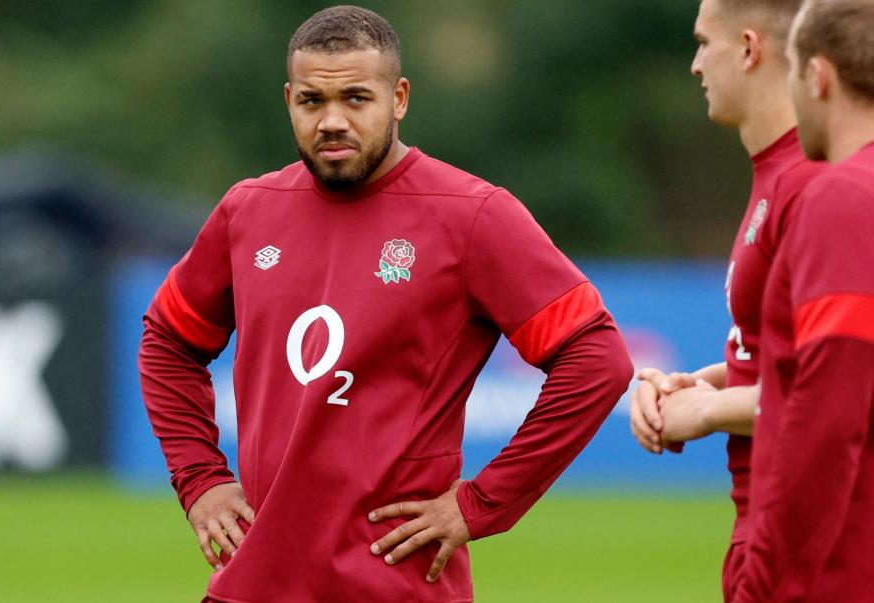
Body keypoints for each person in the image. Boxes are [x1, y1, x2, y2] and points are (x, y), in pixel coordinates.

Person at [138, 6, 633, 602]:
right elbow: (167, 341)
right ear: (289, 100)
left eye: (356, 98)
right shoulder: (248, 210)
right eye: (313, 102)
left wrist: (484, 502)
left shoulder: (473, 216)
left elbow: (597, 358)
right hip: (251, 585)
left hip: (394, 586)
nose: (333, 120)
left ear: (398, 98)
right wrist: (201, 481)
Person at [628, 0, 823, 599]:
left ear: (747, 48)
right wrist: (702, 383)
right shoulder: (777, 174)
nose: (694, 65)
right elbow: (785, 356)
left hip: (808, 538)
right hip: (767, 529)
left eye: (702, 42)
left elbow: (840, 383)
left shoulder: (814, 183)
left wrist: (711, 412)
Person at [733, 1, 874, 600]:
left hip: (838, 570)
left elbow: (827, 420)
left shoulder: (843, 197)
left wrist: (763, 586)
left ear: (816, 77)